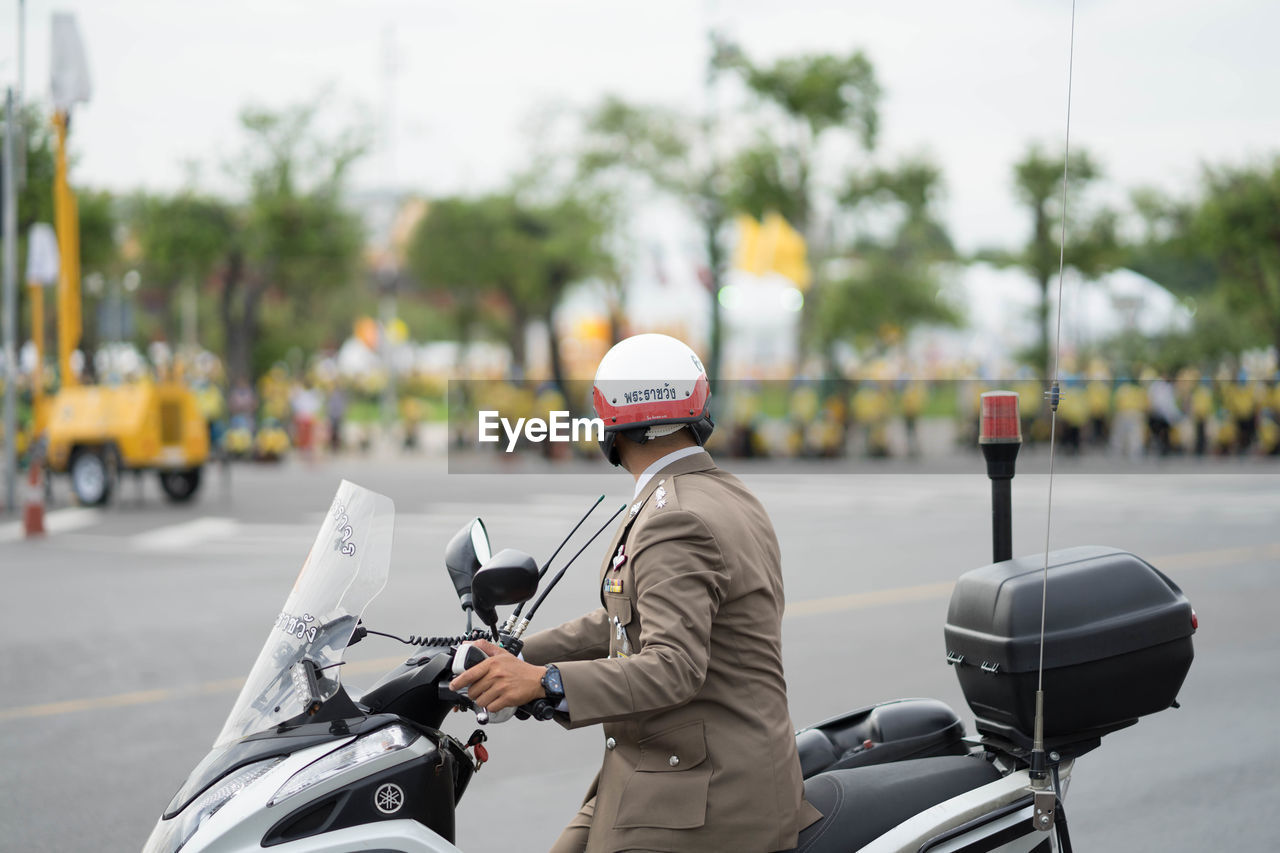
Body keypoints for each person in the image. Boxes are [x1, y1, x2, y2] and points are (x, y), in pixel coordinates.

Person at [450, 333, 821, 853]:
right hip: (676, 770)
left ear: (612, 421)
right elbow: (627, 620)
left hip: (705, 797)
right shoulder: (720, 492)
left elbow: (673, 665)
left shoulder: (676, 518)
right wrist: (518, 655)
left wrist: (543, 682)